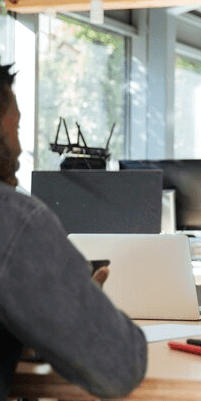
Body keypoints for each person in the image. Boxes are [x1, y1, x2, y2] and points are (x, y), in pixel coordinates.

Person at [0, 63, 147, 399]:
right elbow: (121, 365)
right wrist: (75, 303)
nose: (20, 150)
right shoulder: (15, 219)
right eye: (17, 129)